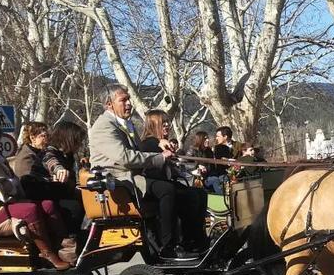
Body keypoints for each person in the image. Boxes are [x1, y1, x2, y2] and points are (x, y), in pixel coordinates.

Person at [88, 84, 199, 260]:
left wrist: (159, 142)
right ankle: (167, 247)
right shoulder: (104, 126)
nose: (129, 104)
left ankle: (194, 242)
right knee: (166, 190)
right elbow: (125, 157)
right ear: (109, 104)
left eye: (129, 99)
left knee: (192, 193)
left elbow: (139, 151)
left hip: (132, 178)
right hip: (117, 182)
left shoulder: (125, 124)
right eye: (123, 100)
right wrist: (160, 157)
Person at [0, 122, 71, 270]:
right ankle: (46, 253)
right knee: (29, 210)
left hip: (0, 204)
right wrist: (12, 185)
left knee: (48, 204)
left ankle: (63, 247)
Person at [139, 110, 208, 253]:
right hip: (152, 183)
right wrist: (162, 147)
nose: (167, 126)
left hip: (166, 181)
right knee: (173, 191)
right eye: (163, 123)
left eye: (167, 122)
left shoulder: (162, 143)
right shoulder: (148, 144)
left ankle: (196, 238)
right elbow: (151, 166)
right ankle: (168, 243)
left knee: (200, 193)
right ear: (153, 125)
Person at [42, 121, 88, 234]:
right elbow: (51, 161)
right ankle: (69, 242)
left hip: (64, 192)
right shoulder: (50, 151)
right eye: (77, 141)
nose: (80, 144)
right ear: (68, 138)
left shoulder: (68, 155)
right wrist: (59, 170)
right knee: (74, 208)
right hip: (50, 195)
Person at [11, 121, 52, 199]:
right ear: (32, 138)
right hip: (32, 198)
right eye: (44, 136)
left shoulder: (40, 153)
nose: (47, 140)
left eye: (48, 136)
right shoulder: (27, 156)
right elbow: (28, 183)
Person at [205, 126, 235, 194]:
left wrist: (231, 161)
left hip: (235, 173)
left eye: (218, 136)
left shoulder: (238, 146)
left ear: (225, 137)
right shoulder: (217, 147)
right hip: (220, 174)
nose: (216, 138)